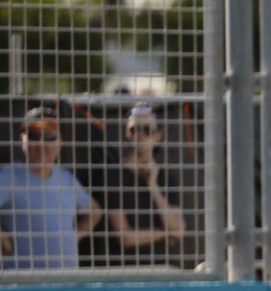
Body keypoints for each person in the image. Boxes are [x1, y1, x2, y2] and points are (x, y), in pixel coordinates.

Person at [80, 103, 185, 266]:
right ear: (126, 132)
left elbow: (178, 228)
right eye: (135, 129)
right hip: (122, 272)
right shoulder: (111, 175)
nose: (141, 135)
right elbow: (126, 237)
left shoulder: (165, 177)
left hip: (161, 271)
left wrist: (153, 187)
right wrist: (166, 232)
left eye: (148, 130)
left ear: (158, 135)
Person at [0, 107, 104, 270]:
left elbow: (95, 211)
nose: (41, 143)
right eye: (34, 135)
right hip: (24, 286)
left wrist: (71, 237)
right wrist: (3, 239)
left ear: (60, 142)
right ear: (22, 139)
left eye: (49, 136)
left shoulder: (65, 178)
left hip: (66, 283)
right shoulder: (8, 177)